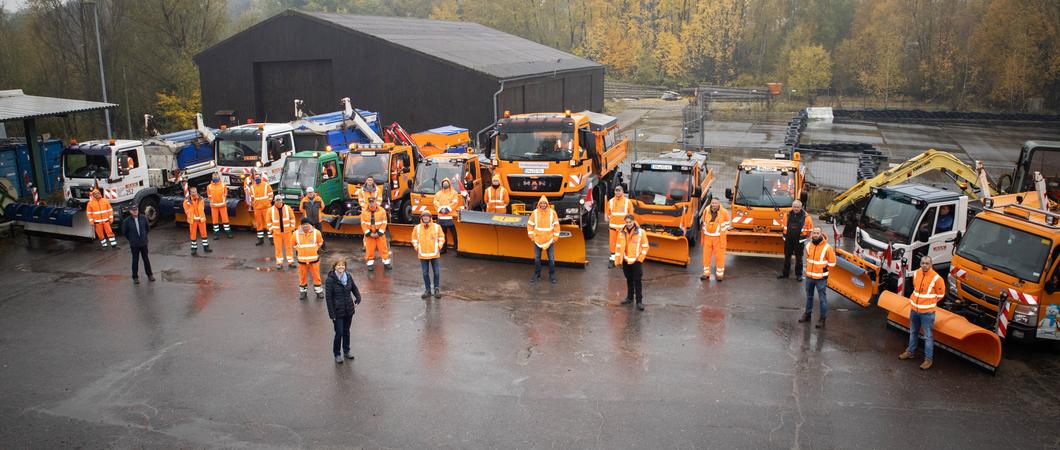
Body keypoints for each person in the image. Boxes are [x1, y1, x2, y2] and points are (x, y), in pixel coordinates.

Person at [900, 255, 944, 370]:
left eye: (927, 263)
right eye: (923, 263)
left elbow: (940, 295)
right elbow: (915, 289)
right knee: (913, 332)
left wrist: (928, 303)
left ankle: (928, 359)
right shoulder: (916, 273)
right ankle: (910, 352)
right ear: (920, 264)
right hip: (914, 310)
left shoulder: (937, 278)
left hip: (927, 313)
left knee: (928, 336)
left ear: (931, 265)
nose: (924, 265)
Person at [324, 260, 361, 364]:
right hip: (337, 311)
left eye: (343, 265)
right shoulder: (330, 280)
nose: (341, 267)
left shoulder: (348, 276)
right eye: (339, 265)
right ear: (335, 267)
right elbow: (329, 298)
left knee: (346, 331)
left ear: (345, 267)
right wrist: (331, 314)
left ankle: (346, 351)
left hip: (349, 310)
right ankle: (337, 354)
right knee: (339, 332)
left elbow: (355, 289)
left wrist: (358, 298)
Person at [799, 227, 836, 328]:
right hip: (809, 277)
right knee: (809, 297)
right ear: (812, 234)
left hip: (821, 279)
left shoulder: (827, 247)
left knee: (822, 299)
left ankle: (822, 319)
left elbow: (832, 263)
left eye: (817, 233)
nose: (815, 234)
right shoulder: (808, 245)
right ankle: (807, 314)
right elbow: (808, 259)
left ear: (821, 234)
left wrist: (824, 270)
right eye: (814, 233)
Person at [615, 215, 649, 311]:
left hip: (636, 261)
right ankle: (629, 298)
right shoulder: (621, 233)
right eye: (627, 222)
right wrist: (618, 261)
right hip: (626, 261)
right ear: (625, 222)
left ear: (633, 221)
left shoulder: (641, 232)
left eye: (630, 222)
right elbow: (618, 247)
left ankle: (639, 301)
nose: (628, 224)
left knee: (637, 281)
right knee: (629, 280)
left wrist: (640, 259)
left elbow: (645, 246)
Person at [527, 195, 560, 284]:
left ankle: (552, 275)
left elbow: (556, 225)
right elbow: (530, 225)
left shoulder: (553, 213)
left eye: (544, 203)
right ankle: (537, 274)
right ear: (539, 204)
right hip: (537, 240)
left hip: (549, 240)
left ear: (547, 204)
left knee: (551, 259)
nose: (543, 205)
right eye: (541, 203)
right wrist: (532, 236)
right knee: (537, 259)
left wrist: (555, 238)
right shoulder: (534, 213)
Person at [412, 211, 445, 298]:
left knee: (436, 273)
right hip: (423, 254)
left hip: (434, 254)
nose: (425, 218)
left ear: (430, 218)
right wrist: (417, 248)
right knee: (425, 273)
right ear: (421, 218)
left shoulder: (437, 227)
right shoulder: (417, 228)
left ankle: (436, 289)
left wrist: (438, 247)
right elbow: (414, 239)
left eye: (427, 216)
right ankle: (428, 290)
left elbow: (442, 238)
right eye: (424, 216)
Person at [778, 200, 813, 281]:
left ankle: (799, 275)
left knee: (799, 258)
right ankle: (785, 274)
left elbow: (809, 229)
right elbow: (783, 226)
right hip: (788, 239)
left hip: (799, 241)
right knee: (787, 257)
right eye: (794, 207)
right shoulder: (787, 214)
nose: (796, 208)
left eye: (798, 207)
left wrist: (804, 238)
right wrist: (785, 235)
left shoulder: (806, 217)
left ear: (801, 207)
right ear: (792, 206)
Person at [120, 204, 154, 284]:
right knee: (135, 260)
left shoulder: (143, 218)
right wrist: (132, 239)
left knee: (146, 259)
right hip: (134, 244)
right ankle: (135, 277)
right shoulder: (127, 221)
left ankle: (150, 275)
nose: (135, 211)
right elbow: (125, 232)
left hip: (143, 243)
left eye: (136, 210)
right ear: (130, 211)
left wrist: (144, 237)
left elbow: (147, 229)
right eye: (133, 210)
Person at [700, 197, 731, 281]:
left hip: (718, 238)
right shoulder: (706, 210)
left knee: (719, 257)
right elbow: (703, 221)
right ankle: (706, 273)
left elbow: (727, 224)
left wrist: (719, 230)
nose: (714, 205)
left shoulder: (724, 212)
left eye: (715, 203)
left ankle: (719, 275)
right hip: (707, 237)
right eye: (712, 203)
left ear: (719, 204)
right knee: (706, 256)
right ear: (711, 203)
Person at [294, 217, 325, 299]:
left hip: (314, 260)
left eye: (307, 224)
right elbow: (293, 243)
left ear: (310, 225)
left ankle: (319, 292)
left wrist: (315, 249)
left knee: (316, 276)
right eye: (303, 224)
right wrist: (299, 250)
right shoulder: (296, 233)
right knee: (302, 277)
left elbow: (320, 242)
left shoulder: (316, 233)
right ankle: (303, 292)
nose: (305, 226)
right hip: (302, 261)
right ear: (301, 225)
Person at [360, 196, 392, 271]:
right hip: (370, 234)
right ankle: (370, 264)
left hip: (379, 234)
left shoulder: (382, 211)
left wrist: (379, 232)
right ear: (368, 202)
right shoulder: (364, 212)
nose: (371, 203)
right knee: (369, 249)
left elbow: (384, 222)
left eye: (373, 202)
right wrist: (369, 233)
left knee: (383, 248)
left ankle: (386, 262)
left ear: (375, 202)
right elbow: (363, 223)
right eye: (370, 202)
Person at [267, 196, 296, 269]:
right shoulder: (270, 210)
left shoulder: (288, 208)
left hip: (287, 232)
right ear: (274, 201)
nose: (278, 201)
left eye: (279, 200)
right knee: (278, 248)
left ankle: (290, 262)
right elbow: (268, 221)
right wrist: (271, 230)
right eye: (277, 200)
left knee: (289, 247)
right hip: (276, 233)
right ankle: (279, 263)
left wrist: (291, 228)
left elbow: (292, 218)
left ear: (282, 200)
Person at [604, 185, 632, 264]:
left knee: (623, 244)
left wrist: (629, 225)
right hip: (613, 228)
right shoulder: (611, 201)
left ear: (622, 191)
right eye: (616, 190)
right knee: (613, 244)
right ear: (614, 192)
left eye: (619, 190)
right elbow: (608, 213)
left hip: (624, 229)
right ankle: (613, 260)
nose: (618, 192)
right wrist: (611, 219)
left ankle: (622, 260)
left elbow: (631, 215)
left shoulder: (627, 202)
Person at [433, 178, 460, 253]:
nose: (445, 184)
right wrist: (441, 209)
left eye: (446, 183)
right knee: (442, 234)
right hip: (441, 218)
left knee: (454, 233)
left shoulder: (454, 193)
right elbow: (435, 202)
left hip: (451, 217)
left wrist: (447, 209)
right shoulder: (438, 194)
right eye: (444, 183)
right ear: (442, 184)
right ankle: (443, 248)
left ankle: (456, 248)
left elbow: (455, 202)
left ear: (449, 184)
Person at [183, 187, 211, 255]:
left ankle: (206, 247)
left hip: (201, 219)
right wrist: (190, 213)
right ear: (190, 193)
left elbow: (202, 207)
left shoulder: (201, 199)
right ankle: (193, 249)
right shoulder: (187, 201)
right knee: (193, 234)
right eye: (192, 192)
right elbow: (186, 210)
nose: (194, 193)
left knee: (204, 233)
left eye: (195, 191)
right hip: (193, 220)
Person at [249, 171, 273, 245]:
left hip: (266, 208)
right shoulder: (252, 187)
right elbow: (252, 198)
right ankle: (260, 240)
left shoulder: (266, 185)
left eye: (258, 177)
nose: (257, 179)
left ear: (261, 177)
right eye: (256, 178)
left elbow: (271, 195)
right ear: (254, 178)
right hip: (257, 208)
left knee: (268, 224)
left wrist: (267, 203)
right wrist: (255, 205)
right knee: (259, 224)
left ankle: (271, 239)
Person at [206, 174, 232, 240]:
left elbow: (225, 193)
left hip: (222, 205)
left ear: (219, 177)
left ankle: (228, 233)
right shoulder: (209, 187)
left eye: (216, 177)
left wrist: (223, 200)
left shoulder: (223, 185)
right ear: (212, 178)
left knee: (225, 220)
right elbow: (209, 196)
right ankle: (216, 235)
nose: (215, 178)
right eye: (214, 177)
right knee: (215, 221)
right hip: (214, 206)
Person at [299, 187, 325, 252]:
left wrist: (317, 212)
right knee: (309, 234)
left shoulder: (319, 199)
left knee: (320, 234)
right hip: (309, 221)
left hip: (318, 220)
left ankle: (322, 247)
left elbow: (323, 207)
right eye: (308, 193)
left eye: (311, 192)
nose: (310, 194)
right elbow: (301, 209)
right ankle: (310, 247)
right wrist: (305, 213)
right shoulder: (304, 200)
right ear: (307, 193)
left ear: (313, 192)